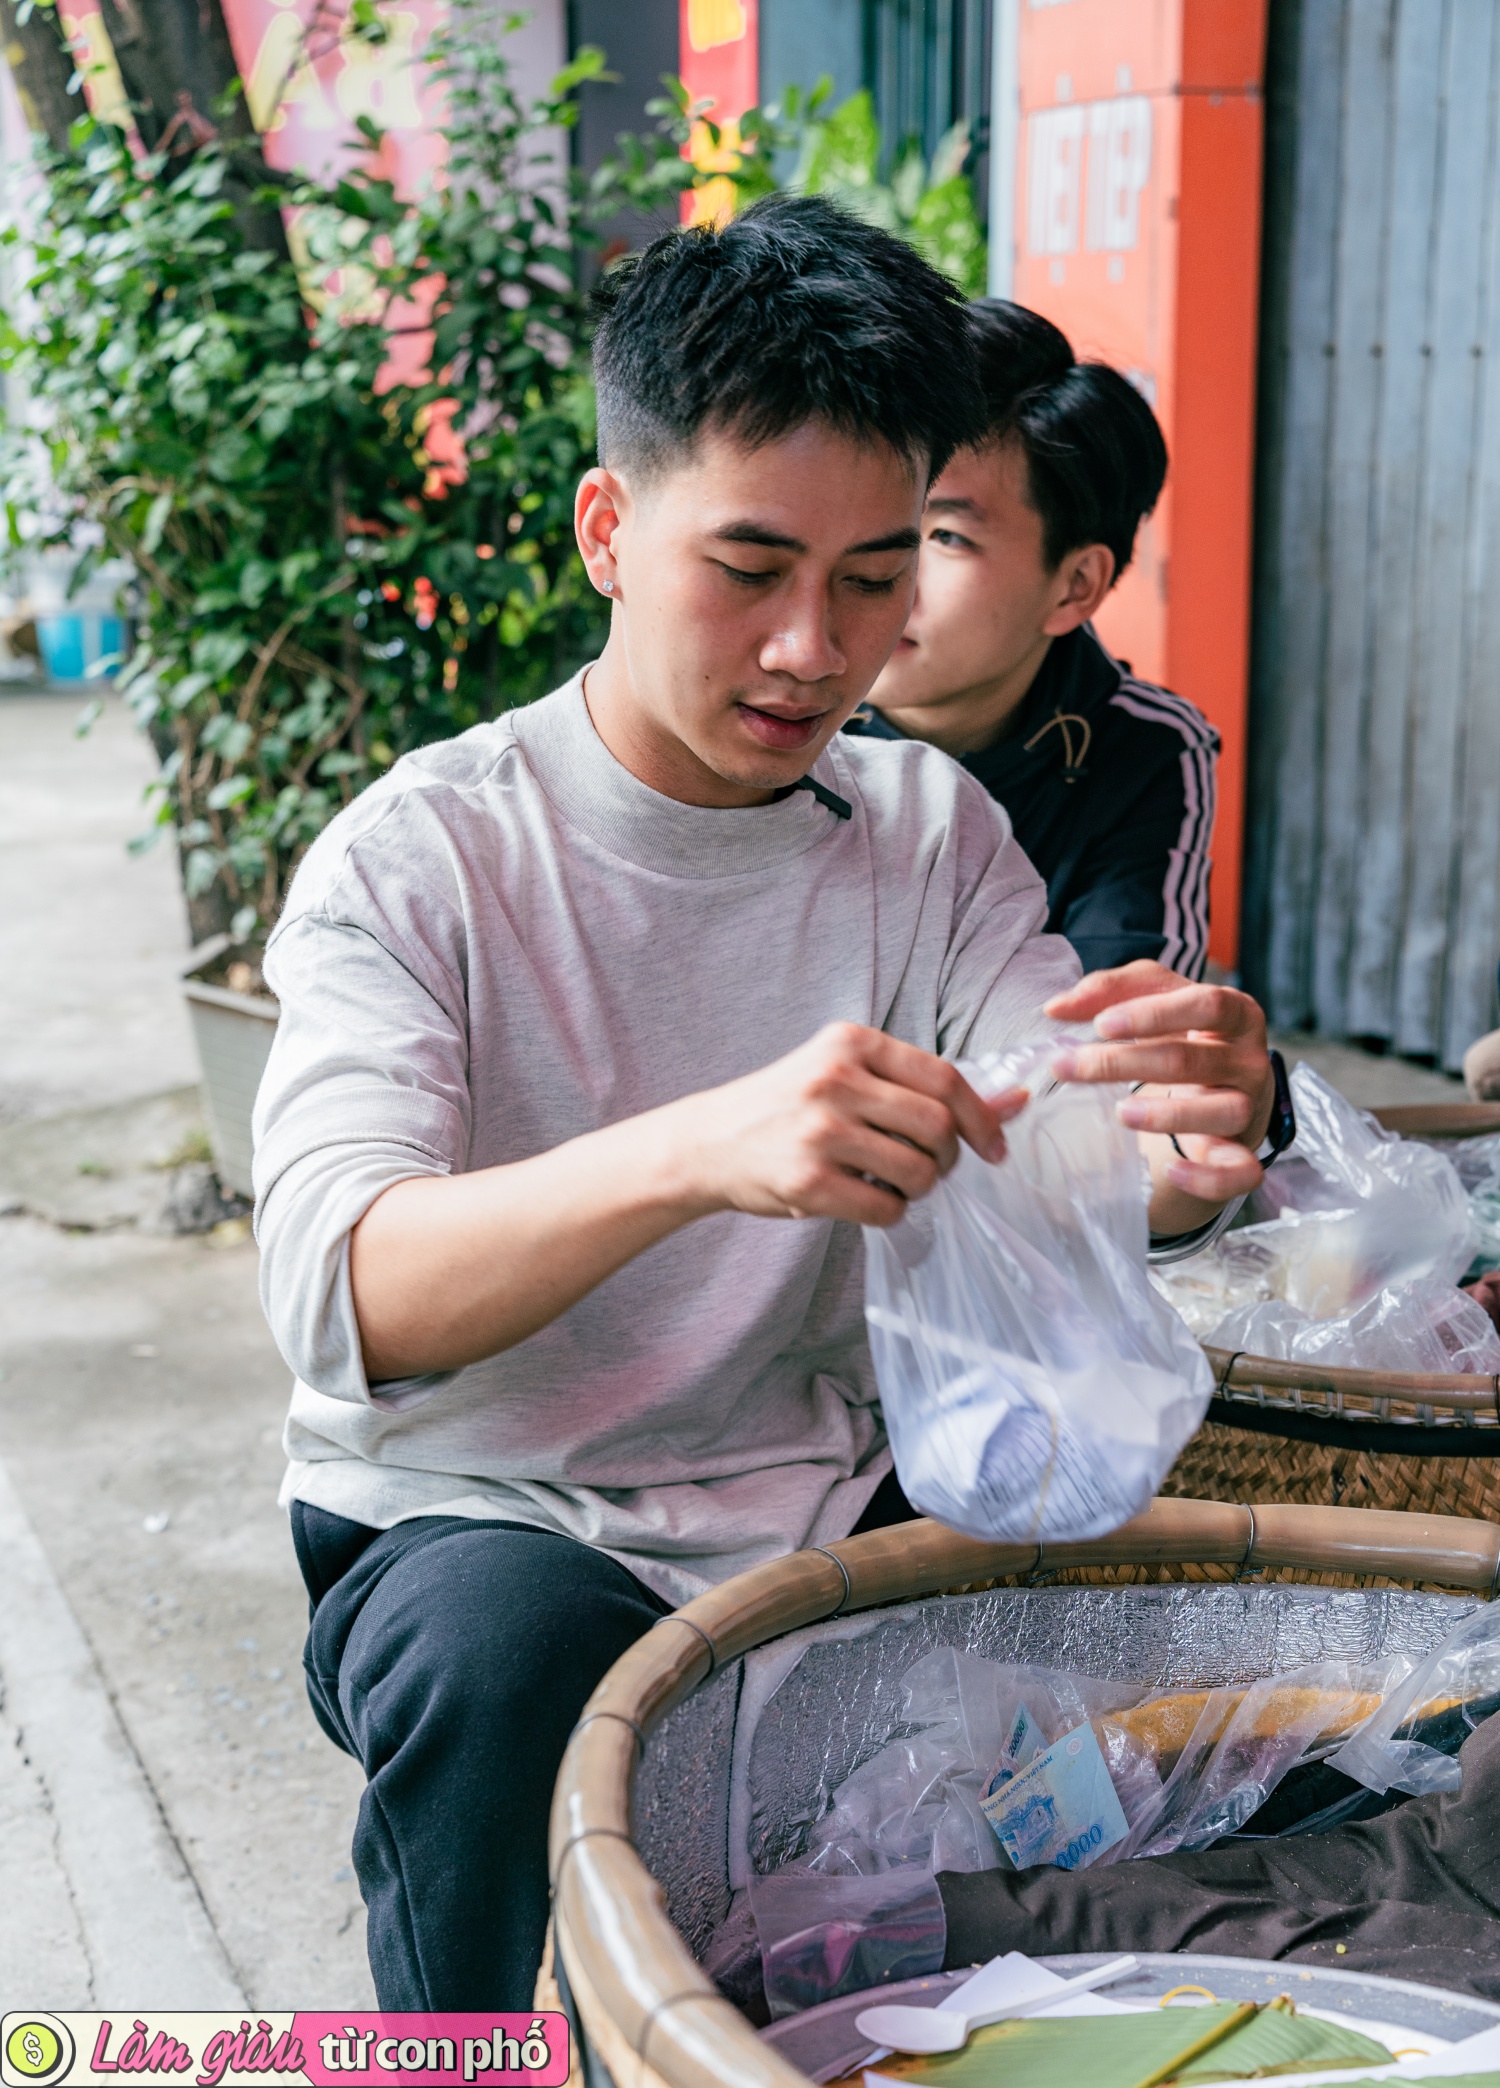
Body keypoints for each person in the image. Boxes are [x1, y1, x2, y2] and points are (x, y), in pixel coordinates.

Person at [252, 195, 1279, 2011]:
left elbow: (1071, 1142)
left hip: (820, 1488)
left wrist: (1190, 1140)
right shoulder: (424, 860)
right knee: (508, 1665)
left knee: (1161, 1659)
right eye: (749, 566)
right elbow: (346, 1293)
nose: (816, 646)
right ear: (608, 530)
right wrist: (702, 1146)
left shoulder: (929, 834)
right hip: (496, 1512)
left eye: (877, 576)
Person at [846, 299, 1218, 978]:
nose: (883, 574)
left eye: (946, 537)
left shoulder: (1141, 751)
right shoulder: (780, 707)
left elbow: (1119, 1044)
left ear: (1074, 586)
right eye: (879, 521)